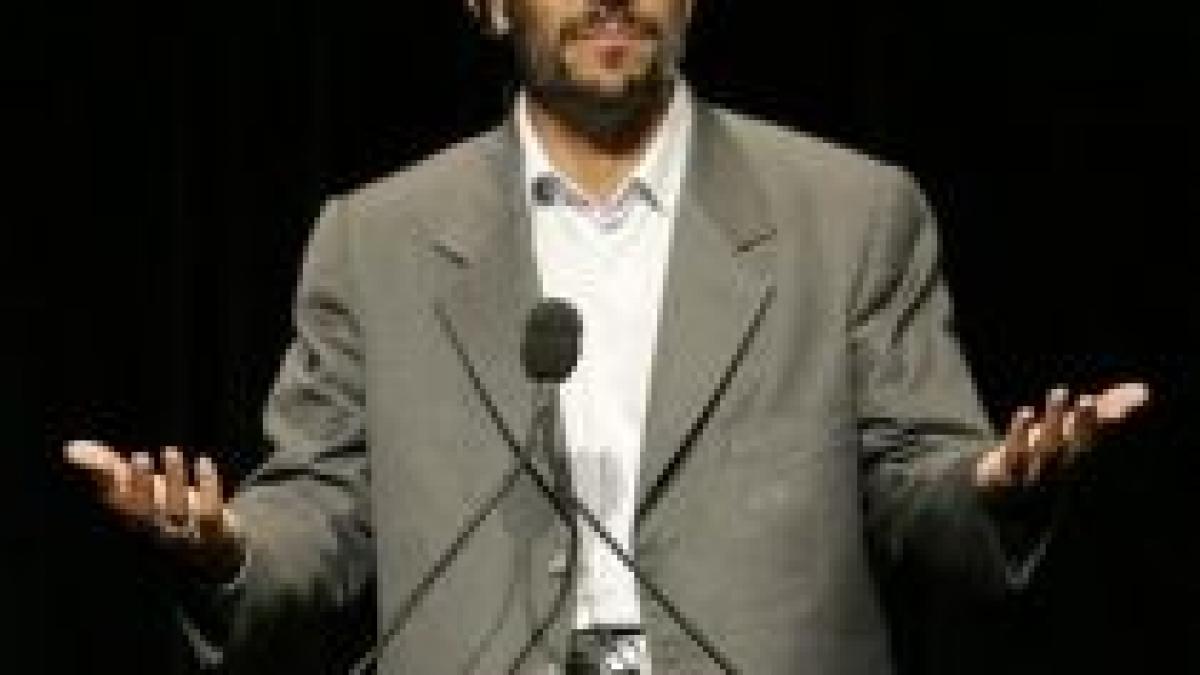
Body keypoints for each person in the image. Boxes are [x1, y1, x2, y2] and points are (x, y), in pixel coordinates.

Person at [62, 1, 1151, 673]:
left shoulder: (852, 213)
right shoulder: (376, 237)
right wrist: (226, 548)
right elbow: (322, 508)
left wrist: (996, 485)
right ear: (489, 6)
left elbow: (920, 485)